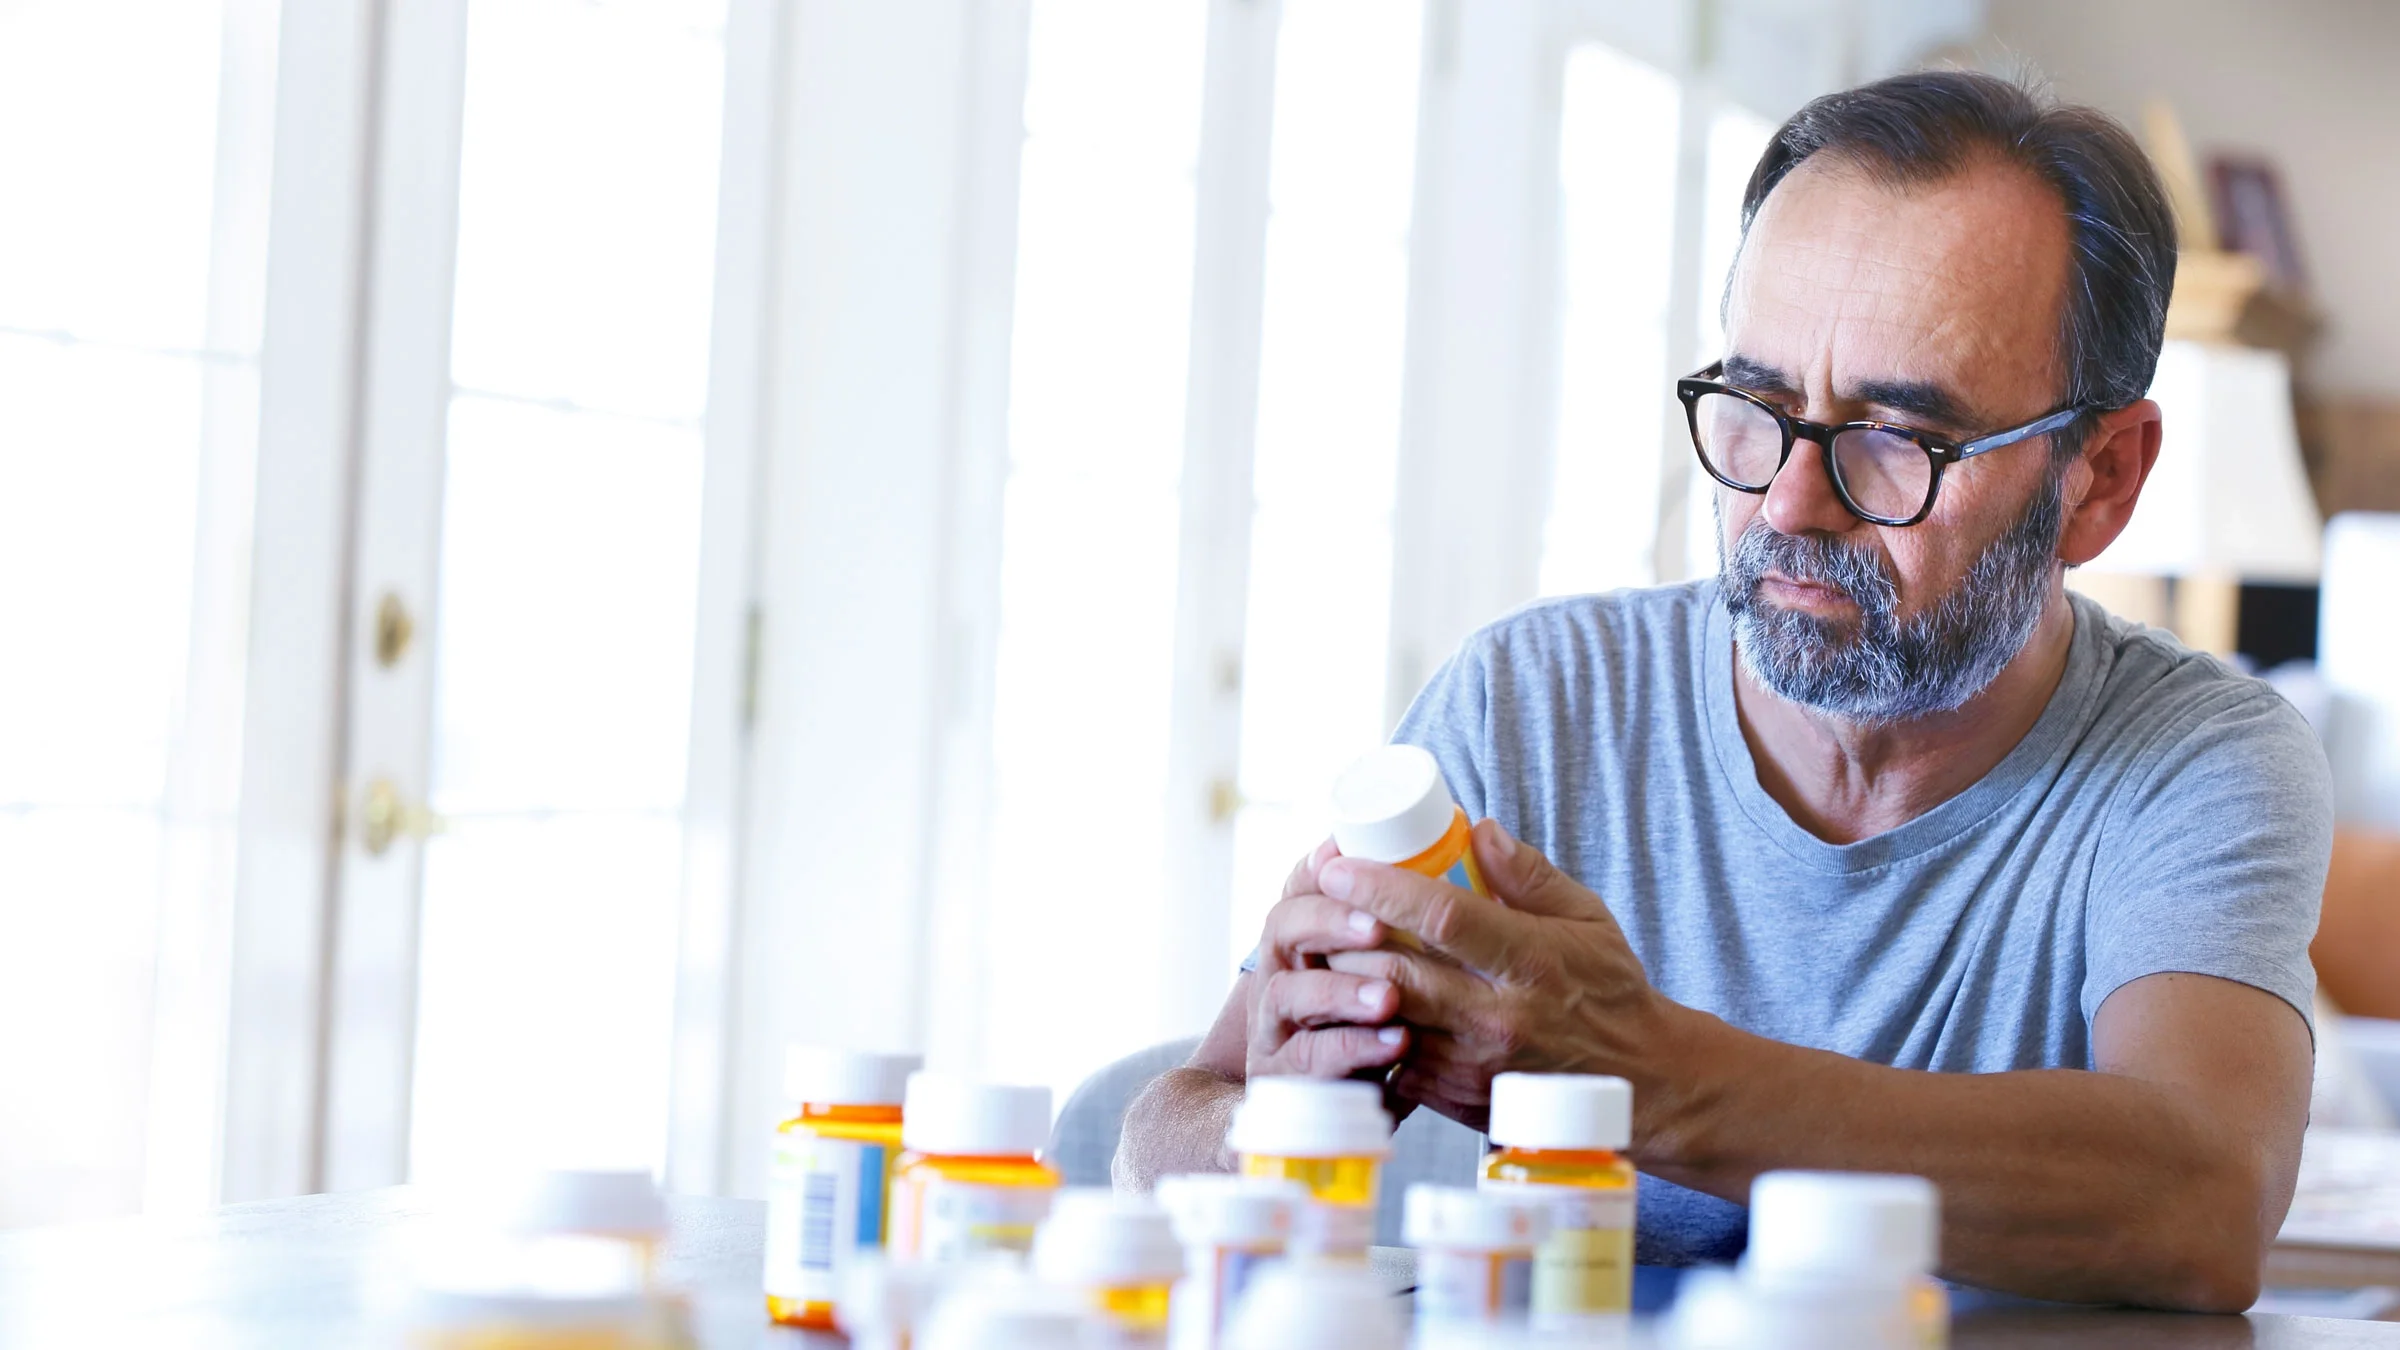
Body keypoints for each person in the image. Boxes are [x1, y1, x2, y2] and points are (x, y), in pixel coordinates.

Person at [1113, 70, 2331, 1313]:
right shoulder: (1535, 703)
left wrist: (1644, 1072)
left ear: (2102, 477)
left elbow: (2206, 1200)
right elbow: (1163, 1130)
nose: (1789, 507)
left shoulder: (2198, 759)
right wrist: (1280, 1122)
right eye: (1755, 407)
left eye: (1898, 440)